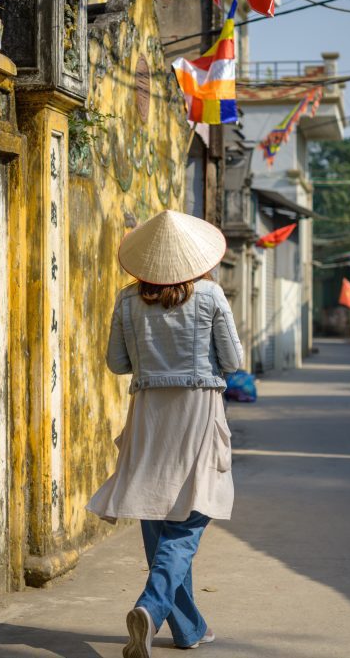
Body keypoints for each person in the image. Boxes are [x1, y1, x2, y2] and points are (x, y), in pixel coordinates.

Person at [86, 210, 243, 658]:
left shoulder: (127, 300)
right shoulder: (211, 296)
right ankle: (151, 608)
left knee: (157, 510)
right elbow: (231, 361)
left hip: (149, 414)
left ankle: (189, 628)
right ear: (195, 258)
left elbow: (117, 364)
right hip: (197, 410)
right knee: (193, 512)